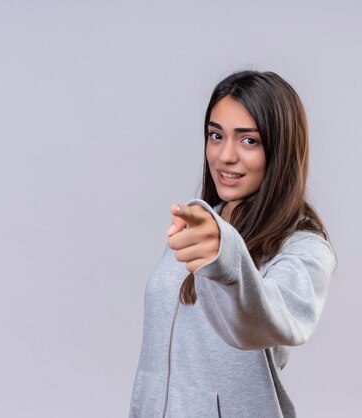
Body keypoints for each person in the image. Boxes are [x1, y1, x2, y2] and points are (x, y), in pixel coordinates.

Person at [129, 70, 337, 417]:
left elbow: (260, 322)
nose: (225, 155)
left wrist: (225, 256)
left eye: (249, 140)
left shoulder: (304, 250)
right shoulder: (197, 226)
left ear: (280, 150)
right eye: (216, 135)